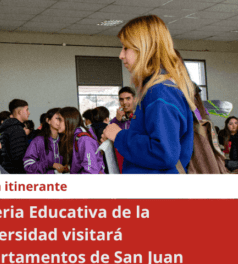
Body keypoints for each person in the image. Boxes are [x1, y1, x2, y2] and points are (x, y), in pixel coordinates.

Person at [103, 15, 195, 174]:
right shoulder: (158, 89)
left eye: (126, 48)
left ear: (145, 48)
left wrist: (119, 136)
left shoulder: (159, 92)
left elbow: (164, 153)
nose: (121, 55)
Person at [59, 107, 105, 174]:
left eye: (60, 120)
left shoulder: (84, 140)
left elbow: (90, 171)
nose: (57, 123)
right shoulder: (71, 138)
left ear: (69, 120)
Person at [23, 108, 67, 174]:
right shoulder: (38, 141)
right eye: (57, 118)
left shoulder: (65, 139)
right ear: (48, 120)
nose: (60, 121)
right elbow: (28, 165)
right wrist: (50, 164)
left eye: (62, 119)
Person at [0, 99, 30, 174]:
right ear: (20, 112)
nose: (29, 113)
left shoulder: (7, 128)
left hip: (7, 170)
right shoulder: (17, 129)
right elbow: (19, 158)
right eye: (27, 110)